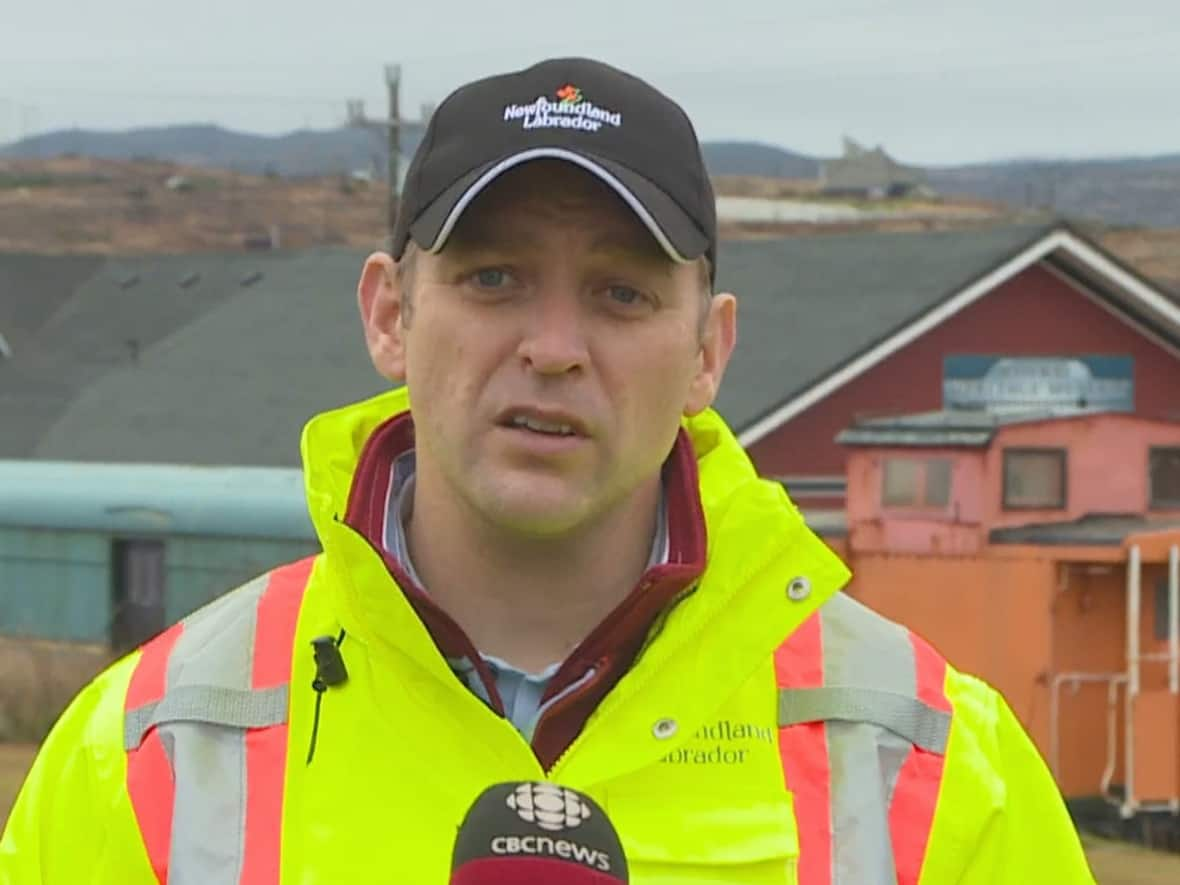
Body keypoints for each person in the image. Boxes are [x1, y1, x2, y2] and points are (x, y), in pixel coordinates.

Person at [0, 57, 1094, 884]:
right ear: (389, 313)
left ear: (707, 350)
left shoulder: (932, 766)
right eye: (493, 279)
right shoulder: (152, 751)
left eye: (621, 293)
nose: (555, 345)